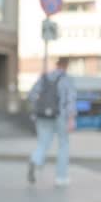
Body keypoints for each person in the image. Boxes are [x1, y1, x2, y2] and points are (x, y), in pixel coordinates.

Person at [27, 57, 77, 187]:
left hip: (42, 115)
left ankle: (35, 159)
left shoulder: (44, 77)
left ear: (57, 65)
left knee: (43, 143)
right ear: (66, 66)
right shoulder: (67, 79)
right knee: (63, 145)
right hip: (60, 116)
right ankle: (61, 178)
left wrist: (40, 107)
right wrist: (71, 119)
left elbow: (31, 95)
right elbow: (70, 100)